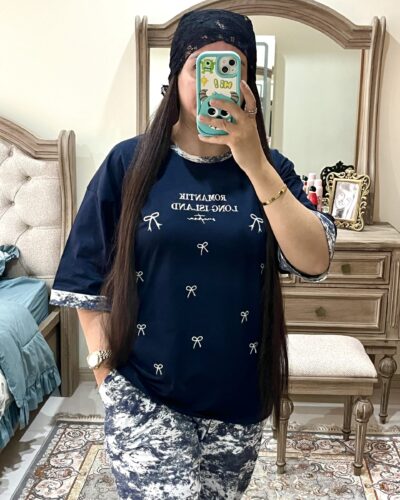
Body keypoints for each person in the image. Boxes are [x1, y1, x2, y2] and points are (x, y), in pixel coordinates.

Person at [49, 8, 337, 500]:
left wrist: (254, 162)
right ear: (175, 77)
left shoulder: (273, 169)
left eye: (232, 69)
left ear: (250, 85)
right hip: (145, 394)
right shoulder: (128, 163)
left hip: (238, 400)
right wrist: (105, 375)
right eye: (201, 68)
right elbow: (84, 274)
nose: (216, 85)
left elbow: (315, 261)